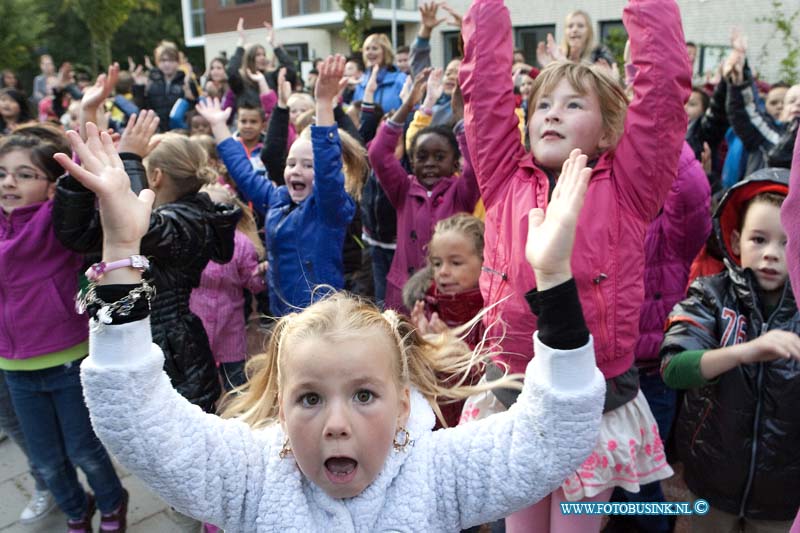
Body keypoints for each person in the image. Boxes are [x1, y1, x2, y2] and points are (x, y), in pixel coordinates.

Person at [60, 107, 605, 529]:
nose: (336, 424)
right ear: (279, 404)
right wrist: (119, 249)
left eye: (365, 395)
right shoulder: (252, 477)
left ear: (403, 405)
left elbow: (553, 434)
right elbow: (132, 411)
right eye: (310, 398)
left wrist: (554, 278)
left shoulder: (438, 475)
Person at [459, 0, 690, 530]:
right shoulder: (502, 176)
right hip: (514, 386)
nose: (553, 113)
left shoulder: (632, 186)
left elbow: (662, 96)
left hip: (594, 396)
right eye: (542, 105)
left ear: (609, 132)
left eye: (573, 105)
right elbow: (485, 91)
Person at [53, 110, 240, 413]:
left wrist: (128, 157)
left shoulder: (191, 220)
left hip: (173, 353)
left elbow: (141, 225)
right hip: (131, 338)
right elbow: (77, 235)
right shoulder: (169, 218)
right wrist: (82, 175)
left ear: (155, 176)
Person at [0, 123, 127, 533]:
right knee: (45, 459)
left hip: (67, 358)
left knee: (83, 449)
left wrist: (88, 117)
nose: (9, 183)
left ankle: (112, 504)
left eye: (23, 174)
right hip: (15, 367)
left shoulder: (58, 222)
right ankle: (76, 510)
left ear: (52, 187)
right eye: (2, 173)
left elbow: (81, 185)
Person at [661, 167, 800, 531]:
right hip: (711, 480)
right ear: (736, 241)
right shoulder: (710, 294)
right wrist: (746, 351)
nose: (771, 254)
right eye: (759, 239)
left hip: (783, 494)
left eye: (786, 242)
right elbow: (675, 369)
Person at [198, 56, 364, 316]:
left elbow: (328, 168)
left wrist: (322, 104)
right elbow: (244, 173)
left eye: (308, 166)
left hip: (320, 319)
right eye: (291, 163)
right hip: (282, 313)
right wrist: (219, 126)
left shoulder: (330, 207)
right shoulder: (278, 198)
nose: (296, 170)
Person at [369, 69, 479, 313]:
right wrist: (407, 106)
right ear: (412, 161)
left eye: (439, 157)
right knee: (405, 347)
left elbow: (477, 165)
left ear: (454, 163)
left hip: (449, 293)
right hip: (403, 292)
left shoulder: (461, 192)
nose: (430, 163)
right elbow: (378, 153)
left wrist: (462, 119)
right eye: (422, 156)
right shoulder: (403, 189)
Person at [404, 213, 486, 428]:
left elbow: (494, 377)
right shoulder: (428, 306)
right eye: (437, 263)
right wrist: (418, 342)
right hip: (436, 424)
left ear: (485, 261)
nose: (443, 272)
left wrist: (453, 347)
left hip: (475, 425)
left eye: (456, 263)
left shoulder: (493, 311)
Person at [189, 184, 266, 391]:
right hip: (198, 322)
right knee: (198, 379)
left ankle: (239, 413)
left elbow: (252, 283)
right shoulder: (193, 239)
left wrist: (260, 276)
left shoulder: (241, 244)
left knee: (236, 382)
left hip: (230, 325)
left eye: (219, 208)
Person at [132, 41, 197, 131]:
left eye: (171, 60)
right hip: (157, 130)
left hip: (179, 131)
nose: (166, 64)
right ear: (158, 62)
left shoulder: (186, 81)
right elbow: (142, 107)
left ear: (178, 62)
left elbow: (193, 110)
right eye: (163, 60)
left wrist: (190, 98)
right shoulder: (151, 82)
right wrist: (139, 88)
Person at [353, 33, 408, 113]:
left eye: (374, 48)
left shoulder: (400, 79)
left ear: (385, 52)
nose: (370, 52)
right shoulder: (361, 83)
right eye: (367, 49)